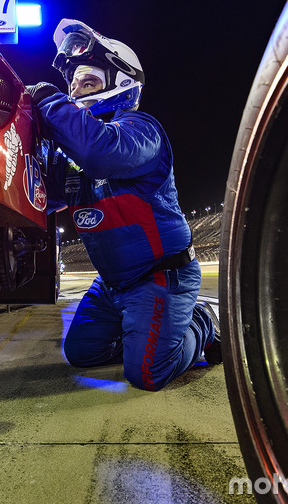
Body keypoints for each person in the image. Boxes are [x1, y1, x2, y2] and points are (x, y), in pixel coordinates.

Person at [26, 19, 220, 391]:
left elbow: (99, 151)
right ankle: (148, 331)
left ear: (120, 83)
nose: (74, 92)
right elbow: (39, 199)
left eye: (89, 83)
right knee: (82, 352)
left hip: (159, 276)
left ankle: (200, 324)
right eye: (73, 85)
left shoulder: (141, 130)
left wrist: (50, 101)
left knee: (148, 374)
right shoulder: (74, 158)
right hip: (113, 283)